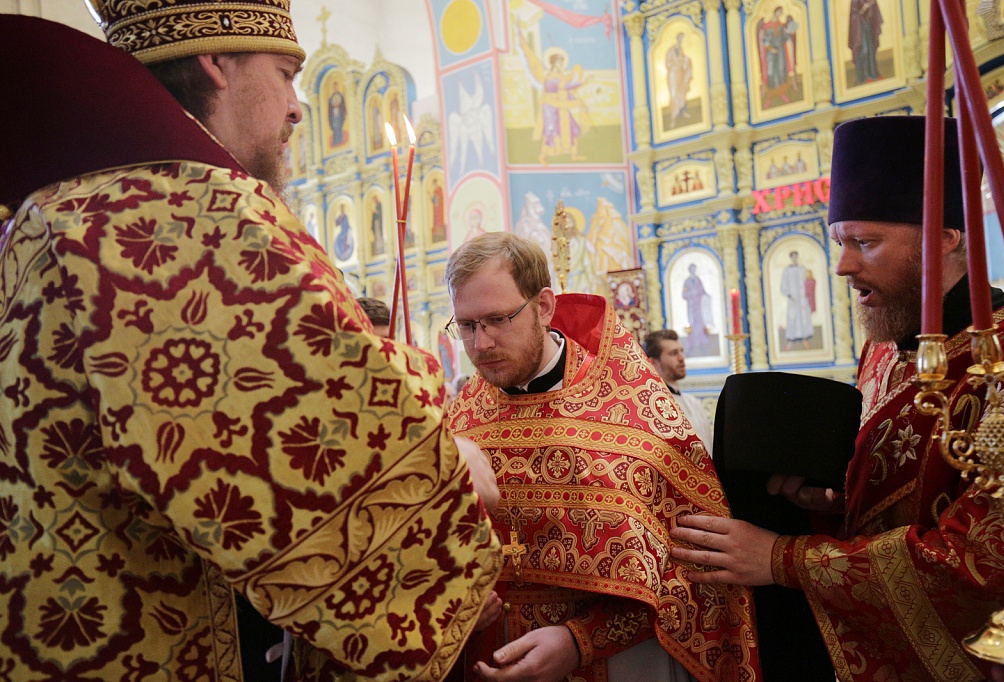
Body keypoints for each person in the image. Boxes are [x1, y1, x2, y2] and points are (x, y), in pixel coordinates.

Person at [0, 5, 502, 681]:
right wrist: (448, 462)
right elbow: (320, 449)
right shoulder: (180, 212)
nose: (298, 108)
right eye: (287, 74)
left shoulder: (59, 210)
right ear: (217, 62)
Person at [671, 116, 1004, 681]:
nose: (843, 266)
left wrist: (780, 558)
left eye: (866, 242)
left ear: (945, 238)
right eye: (840, 242)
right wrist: (829, 503)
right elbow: (906, 497)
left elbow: (985, 559)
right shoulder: (884, 349)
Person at [445, 232, 761, 682]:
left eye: (497, 319)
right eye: (467, 325)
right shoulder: (458, 424)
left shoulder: (633, 408)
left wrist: (582, 640)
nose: (481, 344)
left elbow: (695, 567)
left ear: (544, 307)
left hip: (618, 664)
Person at [515, 20, 591, 164]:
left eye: (562, 62)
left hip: (561, 106)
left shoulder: (560, 76)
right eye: (559, 62)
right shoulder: (550, 77)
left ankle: (574, 154)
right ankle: (542, 157)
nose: (561, 64)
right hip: (551, 107)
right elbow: (565, 86)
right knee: (551, 132)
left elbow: (567, 85)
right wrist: (582, 82)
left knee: (571, 127)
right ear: (554, 63)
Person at [642, 329, 713, 452]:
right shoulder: (650, 407)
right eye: (673, 353)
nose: (681, 358)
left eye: (681, 351)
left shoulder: (693, 402)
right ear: (653, 363)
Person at [780, 251, 814, 350]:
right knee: (793, 317)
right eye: (793, 256)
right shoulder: (787, 270)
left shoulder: (802, 268)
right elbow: (784, 284)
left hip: (803, 298)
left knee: (803, 317)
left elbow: (808, 279)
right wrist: (789, 294)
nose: (794, 258)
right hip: (793, 299)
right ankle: (791, 340)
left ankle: (805, 338)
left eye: (796, 256)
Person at [681, 263, 714, 356]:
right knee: (692, 326)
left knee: (700, 325)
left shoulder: (698, 280)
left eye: (694, 269)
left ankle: (702, 346)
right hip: (691, 307)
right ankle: (691, 346)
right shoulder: (687, 282)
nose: (693, 271)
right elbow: (683, 295)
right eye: (691, 269)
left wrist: (705, 295)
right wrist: (692, 293)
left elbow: (702, 291)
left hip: (699, 307)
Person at [849, 0, 883, 84]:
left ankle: (874, 73)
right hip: (859, 29)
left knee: (871, 49)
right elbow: (854, 15)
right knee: (864, 50)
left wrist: (870, 6)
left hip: (868, 25)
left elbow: (874, 11)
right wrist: (863, 9)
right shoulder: (854, 1)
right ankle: (865, 75)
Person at [665, 32, 693, 125]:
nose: (681, 40)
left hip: (680, 74)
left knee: (681, 93)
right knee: (674, 94)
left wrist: (685, 61)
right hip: (673, 75)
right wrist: (676, 63)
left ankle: (682, 111)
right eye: (680, 38)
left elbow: (684, 60)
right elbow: (668, 64)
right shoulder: (671, 51)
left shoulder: (681, 50)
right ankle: (673, 116)